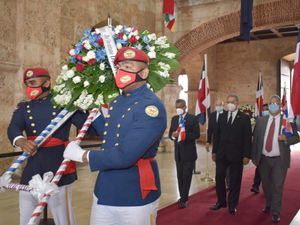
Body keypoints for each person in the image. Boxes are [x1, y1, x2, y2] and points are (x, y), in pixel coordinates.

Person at [63, 47, 167, 225]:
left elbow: (125, 156)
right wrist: (90, 113)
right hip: (105, 189)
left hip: (134, 192)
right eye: (120, 66)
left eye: (129, 66)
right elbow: (111, 133)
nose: (122, 70)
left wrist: (83, 155)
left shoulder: (151, 108)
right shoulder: (118, 101)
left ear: (144, 72)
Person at [7, 68, 92, 225]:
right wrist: (21, 141)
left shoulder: (64, 104)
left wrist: (87, 107)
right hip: (32, 166)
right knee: (26, 215)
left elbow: (87, 126)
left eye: (33, 83)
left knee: (63, 216)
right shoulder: (24, 107)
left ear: (47, 83)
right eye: (26, 84)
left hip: (58, 165)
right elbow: (13, 127)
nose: (29, 87)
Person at [251, 95, 299, 223]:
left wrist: (286, 139)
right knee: (266, 185)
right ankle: (268, 204)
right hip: (264, 159)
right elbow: (255, 140)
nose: (273, 105)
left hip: (279, 160)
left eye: (275, 103)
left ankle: (276, 212)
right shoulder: (261, 120)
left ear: (280, 106)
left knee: (277, 186)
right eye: (271, 103)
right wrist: (254, 157)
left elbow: (297, 137)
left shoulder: (287, 121)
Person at [210, 94, 252, 215]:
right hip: (221, 154)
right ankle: (221, 201)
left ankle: (232, 205)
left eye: (232, 102)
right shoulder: (222, 116)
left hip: (237, 155)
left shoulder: (244, 118)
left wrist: (246, 155)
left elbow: (247, 138)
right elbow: (216, 136)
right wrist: (214, 152)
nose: (230, 104)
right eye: (228, 102)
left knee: (235, 180)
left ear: (237, 103)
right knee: (219, 178)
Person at [168, 99, 200, 208]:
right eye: (177, 107)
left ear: (185, 107)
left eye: (180, 107)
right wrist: (173, 136)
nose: (178, 109)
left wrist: (184, 135)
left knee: (186, 177)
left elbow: (196, 134)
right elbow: (170, 135)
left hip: (189, 153)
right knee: (180, 177)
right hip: (178, 154)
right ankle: (182, 196)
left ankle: (184, 199)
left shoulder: (192, 119)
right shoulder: (174, 119)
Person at [250, 103, 269, 194]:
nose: (265, 111)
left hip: (271, 151)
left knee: (269, 172)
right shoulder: (259, 121)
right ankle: (255, 186)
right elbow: (255, 135)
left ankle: (268, 188)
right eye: (263, 109)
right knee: (259, 170)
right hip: (261, 150)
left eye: (266, 109)